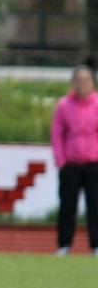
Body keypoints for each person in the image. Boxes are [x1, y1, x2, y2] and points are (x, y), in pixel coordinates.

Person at [51, 64, 98, 257]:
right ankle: (64, 245)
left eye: (85, 80)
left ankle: (96, 246)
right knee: (67, 207)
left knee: (95, 207)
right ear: (73, 82)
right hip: (71, 163)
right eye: (78, 80)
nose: (82, 84)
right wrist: (61, 160)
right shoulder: (64, 105)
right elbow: (57, 132)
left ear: (93, 83)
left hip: (94, 163)